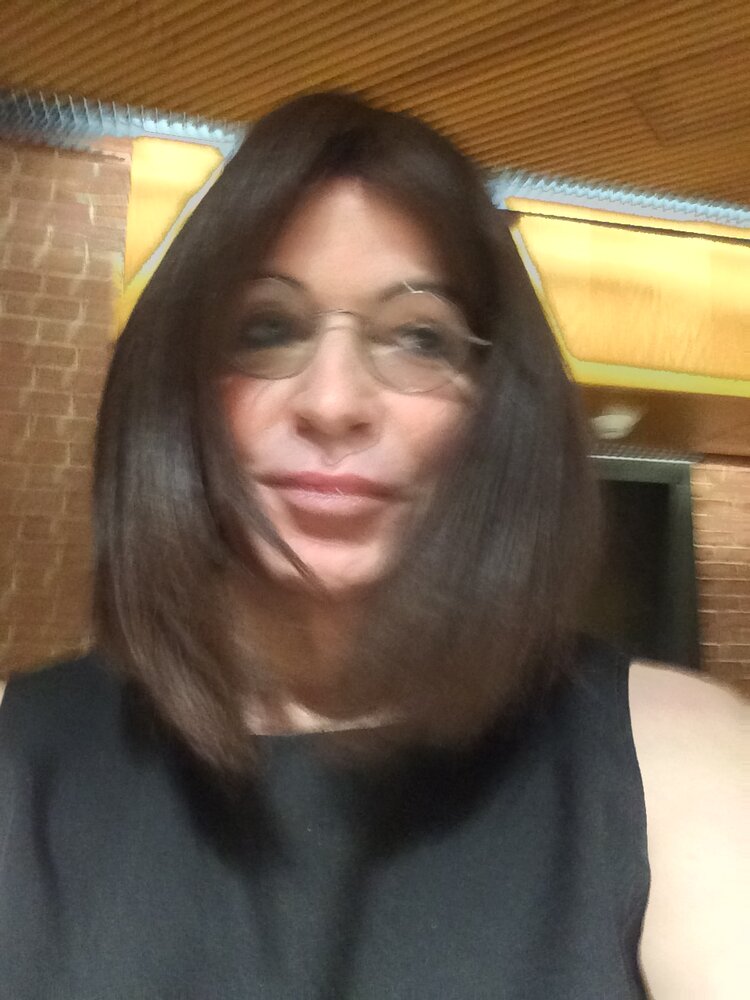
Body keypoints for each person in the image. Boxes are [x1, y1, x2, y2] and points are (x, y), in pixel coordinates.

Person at [0, 92, 745, 1000]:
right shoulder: (22, 757)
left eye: (420, 339)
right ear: (178, 391)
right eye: (266, 329)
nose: (334, 402)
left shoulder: (672, 760)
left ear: (497, 410)